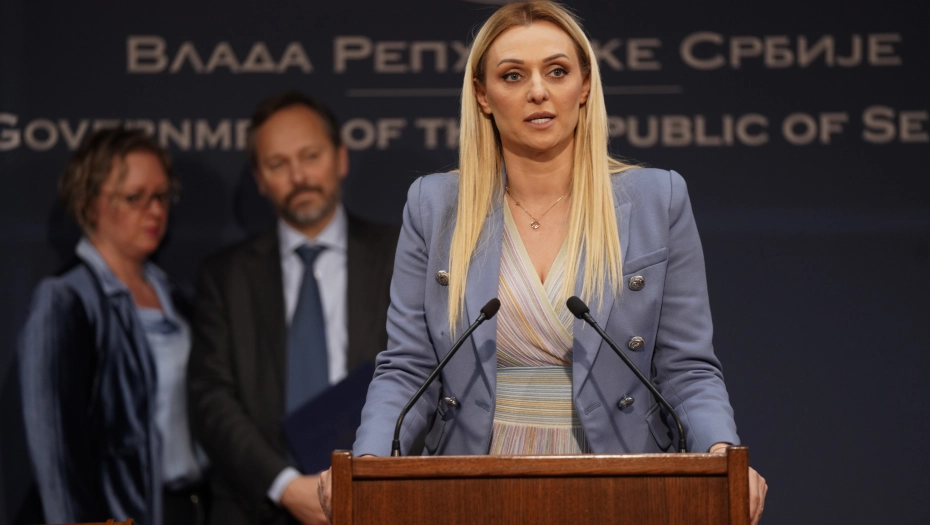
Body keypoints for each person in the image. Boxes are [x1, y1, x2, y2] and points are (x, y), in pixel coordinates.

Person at [320, 1, 767, 524]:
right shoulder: (434, 206)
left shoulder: (657, 199)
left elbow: (686, 368)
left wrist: (721, 454)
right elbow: (409, 367)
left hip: (622, 483)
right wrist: (367, 464)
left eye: (557, 71)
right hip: (470, 486)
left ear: (584, 85)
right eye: (513, 75)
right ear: (483, 95)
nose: (538, 90)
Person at [187, 92, 399, 525]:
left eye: (310, 156)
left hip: (380, 500)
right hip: (259, 507)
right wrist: (284, 485)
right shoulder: (224, 276)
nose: (299, 176)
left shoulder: (401, 255)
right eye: (278, 164)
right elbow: (211, 398)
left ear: (341, 158)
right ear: (259, 179)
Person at [18, 128, 210, 525]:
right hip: (115, 516)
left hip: (188, 508)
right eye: (135, 198)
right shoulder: (65, 299)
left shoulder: (177, 296)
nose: (154, 211)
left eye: (161, 196)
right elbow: (56, 451)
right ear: (89, 204)